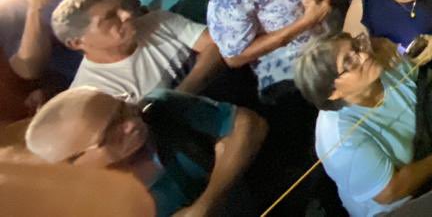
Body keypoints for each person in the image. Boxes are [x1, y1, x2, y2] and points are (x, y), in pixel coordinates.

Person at [25, 86, 266, 217]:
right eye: (111, 132)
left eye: (122, 108)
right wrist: (224, 151)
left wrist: (208, 202)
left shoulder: (158, 109)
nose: (130, 123)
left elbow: (250, 126)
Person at [293, 30, 432, 215]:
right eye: (349, 62)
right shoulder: (339, 138)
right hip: (403, 205)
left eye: (356, 47)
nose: (363, 56)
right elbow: (390, 192)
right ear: (333, 93)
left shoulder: (384, 64)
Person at [53, 0, 225, 101]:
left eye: (122, 7)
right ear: (76, 42)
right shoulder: (92, 92)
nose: (126, 15)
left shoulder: (158, 21)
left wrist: (183, 93)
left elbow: (217, 44)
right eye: (110, 16)